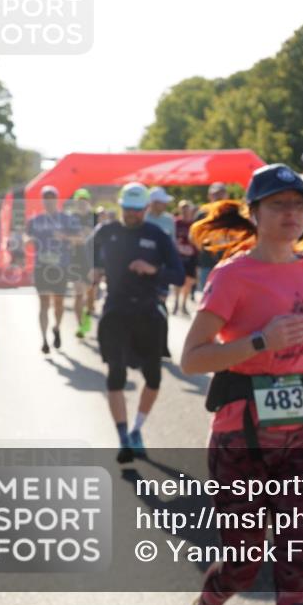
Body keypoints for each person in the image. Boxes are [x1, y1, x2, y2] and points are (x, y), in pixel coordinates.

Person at [181, 164, 303, 605]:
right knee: (243, 565)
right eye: (278, 205)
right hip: (241, 439)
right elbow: (192, 358)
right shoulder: (231, 275)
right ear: (254, 212)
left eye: (299, 204)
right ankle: (208, 603)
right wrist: (260, 341)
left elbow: (297, 320)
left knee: (296, 564)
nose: (291, 213)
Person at [92, 183, 184, 463]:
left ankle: (136, 429)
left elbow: (178, 275)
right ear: (120, 206)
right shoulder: (106, 231)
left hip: (148, 313)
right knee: (115, 375)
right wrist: (93, 270)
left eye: (137, 209)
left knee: (153, 378)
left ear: (146, 208)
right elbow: (87, 255)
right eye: (127, 208)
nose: (131, 214)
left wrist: (153, 270)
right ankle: (123, 438)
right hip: (116, 313)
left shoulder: (157, 235)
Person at [26, 185, 80, 354]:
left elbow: (79, 239)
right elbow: (26, 235)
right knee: (43, 303)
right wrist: (27, 240)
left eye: (51, 198)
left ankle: (56, 328)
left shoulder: (67, 219)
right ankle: (44, 340)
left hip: (61, 266)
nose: (49, 201)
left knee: (58, 302)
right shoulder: (35, 220)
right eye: (46, 198)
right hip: (41, 266)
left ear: (57, 200)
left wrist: (65, 237)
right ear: (42, 201)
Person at [145, 186, 177, 358]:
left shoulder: (168, 220)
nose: (165, 205)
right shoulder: (143, 219)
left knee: (162, 308)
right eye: (162, 202)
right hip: (143, 272)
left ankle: (162, 345)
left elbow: (172, 246)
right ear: (153, 203)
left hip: (162, 271)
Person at [67, 188, 96, 339]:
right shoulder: (71, 218)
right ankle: (80, 326)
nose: (82, 203)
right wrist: (78, 237)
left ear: (88, 201)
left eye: (84, 200)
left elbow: (99, 237)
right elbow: (67, 238)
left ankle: (88, 315)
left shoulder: (95, 216)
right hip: (76, 260)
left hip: (92, 260)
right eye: (79, 200)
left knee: (91, 296)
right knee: (79, 294)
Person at [195, 182, 229, 292]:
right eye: (215, 194)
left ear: (226, 195)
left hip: (228, 263)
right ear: (209, 196)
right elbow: (194, 237)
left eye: (221, 193)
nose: (218, 197)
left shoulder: (233, 214)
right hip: (207, 263)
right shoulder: (202, 215)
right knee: (208, 296)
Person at [173, 200, 199, 315]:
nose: (185, 211)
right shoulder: (176, 223)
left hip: (191, 256)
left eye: (187, 209)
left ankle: (183, 304)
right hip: (178, 256)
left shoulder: (194, 224)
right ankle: (176, 303)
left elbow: (198, 240)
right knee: (177, 280)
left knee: (189, 281)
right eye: (183, 209)